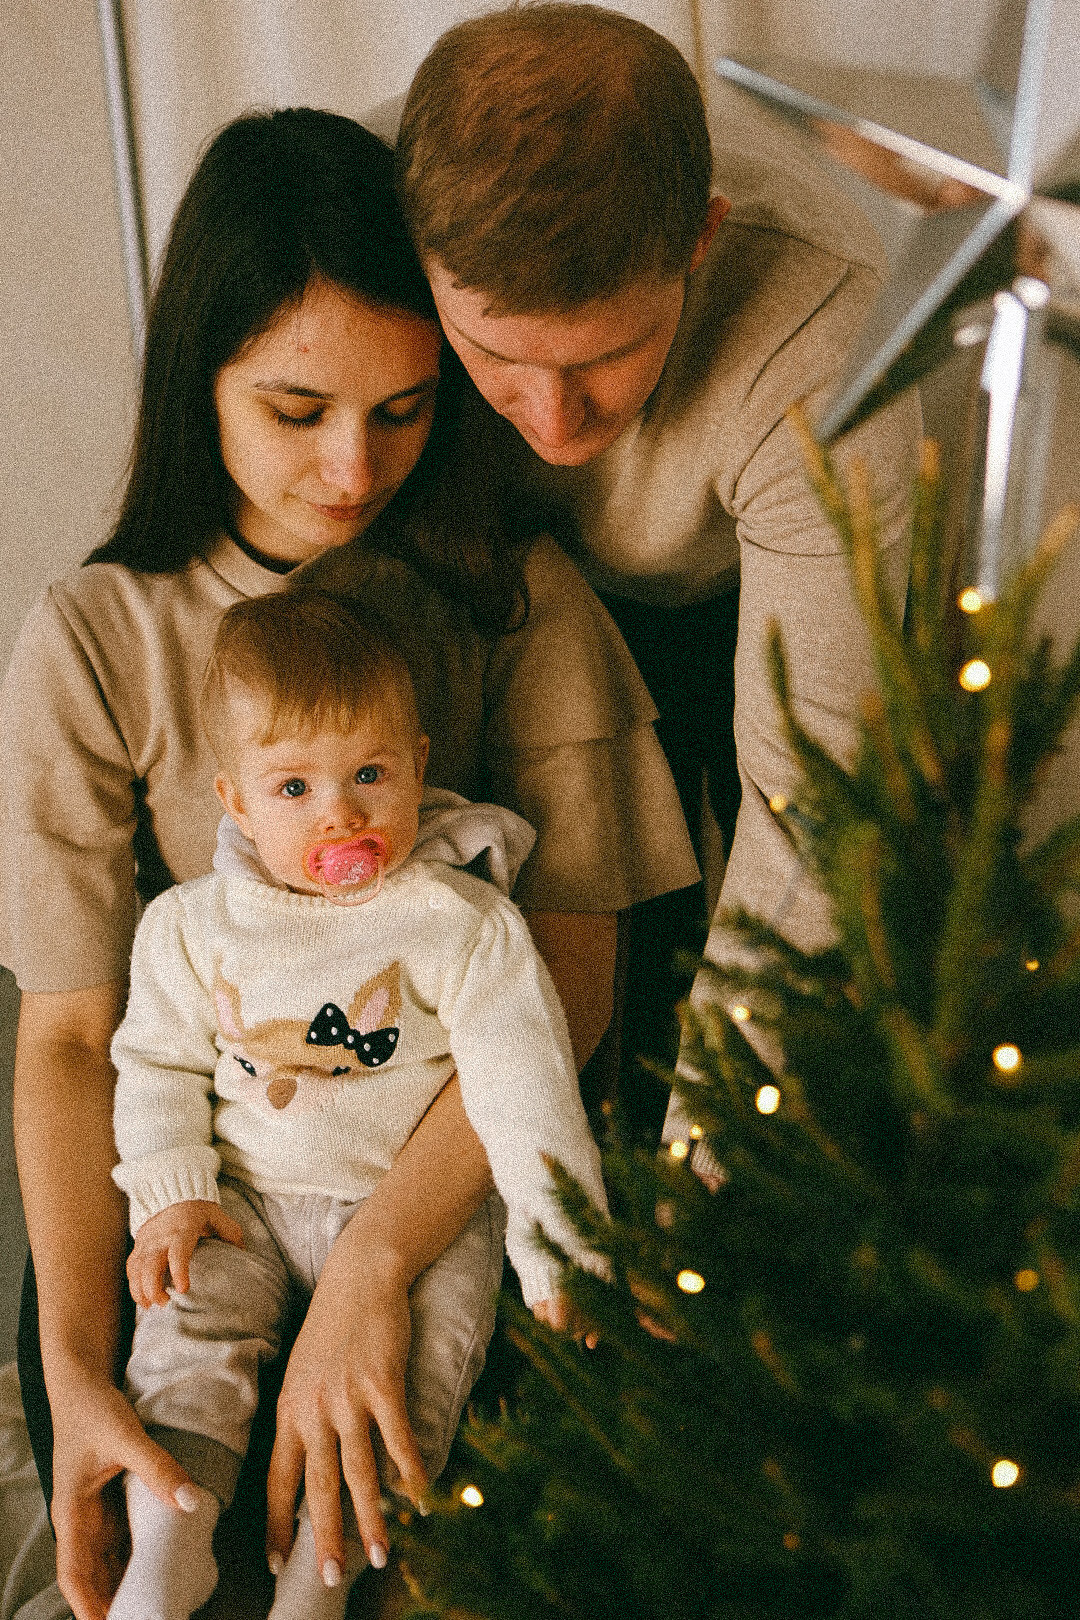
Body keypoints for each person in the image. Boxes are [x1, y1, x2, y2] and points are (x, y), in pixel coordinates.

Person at [0, 107, 698, 1620]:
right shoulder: (96, 637)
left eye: (403, 409)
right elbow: (67, 1034)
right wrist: (69, 1371)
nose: (351, 464)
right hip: (192, 1202)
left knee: (397, 1525)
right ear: (203, 382)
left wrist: (382, 1261)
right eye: (299, 406)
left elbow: (566, 983)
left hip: (452, 1190)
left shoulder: (509, 597)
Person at [394, 4, 924, 1132]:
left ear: (702, 236)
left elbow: (812, 807)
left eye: (602, 356)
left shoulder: (822, 332)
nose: (550, 415)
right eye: (493, 354)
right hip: (476, 578)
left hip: (725, 597)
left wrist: (701, 1181)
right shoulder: (344, 212)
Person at [106, 588, 609, 1620]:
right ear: (235, 801)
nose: (341, 814)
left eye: (370, 775)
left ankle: (322, 1580)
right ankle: (171, 1537)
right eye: (294, 786)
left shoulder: (459, 923)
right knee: (183, 1325)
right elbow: (152, 1062)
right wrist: (169, 1192)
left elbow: (523, 1085)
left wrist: (563, 1245)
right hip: (242, 1196)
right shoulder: (190, 928)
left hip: (412, 1222)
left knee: (414, 1384)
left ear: (419, 766)